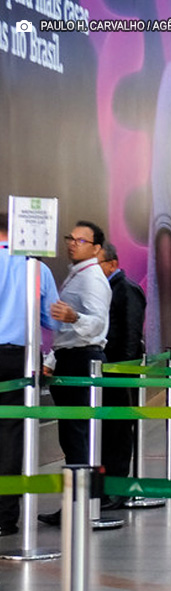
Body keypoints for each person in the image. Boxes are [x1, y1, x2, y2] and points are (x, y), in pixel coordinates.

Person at [39, 221, 112, 526]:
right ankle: (76, 501)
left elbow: (97, 324)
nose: (73, 243)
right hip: (71, 359)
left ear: (96, 248)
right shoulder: (77, 275)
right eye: (71, 238)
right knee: (72, 435)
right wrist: (54, 359)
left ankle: (79, 504)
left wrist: (74, 316)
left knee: (78, 434)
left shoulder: (92, 279)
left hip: (82, 361)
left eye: (81, 240)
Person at [0, 212, 59, 536]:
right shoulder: (38, 268)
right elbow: (54, 321)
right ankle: (4, 517)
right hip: (19, 360)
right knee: (11, 436)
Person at [98, 242, 146, 508]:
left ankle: (118, 489)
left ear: (112, 264)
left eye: (98, 264)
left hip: (119, 372)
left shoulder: (125, 290)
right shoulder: (108, 290)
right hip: (108, 371)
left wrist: (123, 372)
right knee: (108, 432)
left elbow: (130, 335)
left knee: (118, 432)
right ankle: (106, 488)